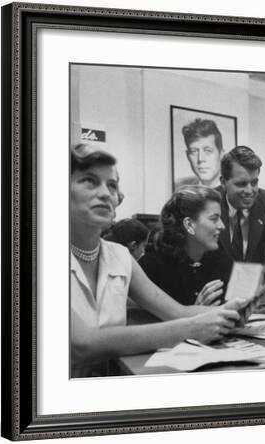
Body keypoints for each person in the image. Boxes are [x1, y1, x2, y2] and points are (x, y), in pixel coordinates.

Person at [69, 144, 246, 378]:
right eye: (90, 181)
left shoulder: (121, 256)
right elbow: (82, 344)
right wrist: (192, 329)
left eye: (111, 185)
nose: (105, 193)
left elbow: (177, 311)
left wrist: (227, 313)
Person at [139, 186, 233, 306]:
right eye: (214, 219)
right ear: (189, 225)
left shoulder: (223, 262)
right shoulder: (151, 268)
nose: (222, 226)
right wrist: (195, 312)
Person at [216, 145, 265, 264]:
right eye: (241, 184)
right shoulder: (208, 203)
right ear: (223, 182)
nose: (249, 191)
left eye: (254, 183)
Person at [175, 118, 224, 189]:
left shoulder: (237, 191)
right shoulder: (180, 187)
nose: (200, 159)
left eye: (208, 151)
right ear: (188, 156)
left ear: (221, 154)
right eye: (194, 151)